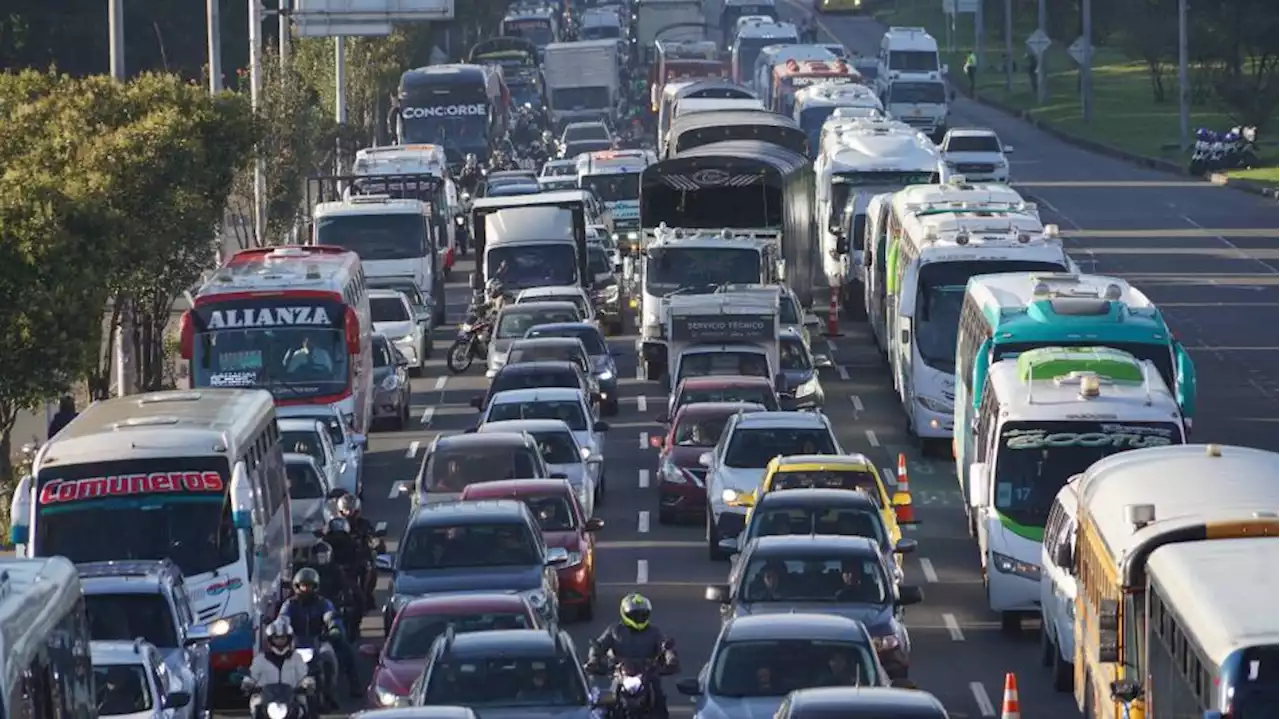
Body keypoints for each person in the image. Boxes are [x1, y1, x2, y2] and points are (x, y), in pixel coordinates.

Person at [587, 594, 677, 719]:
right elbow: (598, 646)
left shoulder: (654, 632)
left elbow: (665, 645)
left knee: (659, 700)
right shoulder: (614, 630)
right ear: (625, 614)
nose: (639, 618)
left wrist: (671, 659)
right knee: (603, 703)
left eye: (642, 615)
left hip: (648, 675)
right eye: (635, 615)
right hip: (620, 674)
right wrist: (594, 660)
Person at [278, 568, 361, 701]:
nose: (306, 589)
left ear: (315, 586)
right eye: (303, 585)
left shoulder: (323, 603)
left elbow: (331, 617)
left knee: (331, 655)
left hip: (319, 641)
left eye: (309, 585)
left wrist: (334, 628)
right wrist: (279, 630)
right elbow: (282, 619)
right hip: (295, 642)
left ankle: (333, 690)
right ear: (296, 586)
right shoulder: (290, 604)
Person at [244, 619, 315, 719]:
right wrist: (248, 683)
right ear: (270, 640)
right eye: (276, 638)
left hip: (291, 698)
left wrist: (307, 682)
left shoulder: (296, 658)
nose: (280, 641)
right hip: (265, 699)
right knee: (256, 708)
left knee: (305, 708)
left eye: (283, 638)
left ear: (289, 639)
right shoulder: (260, 659)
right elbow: (252, 675)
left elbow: (303, 674)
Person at [335, 494, 382, 604]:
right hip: (341, 557)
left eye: (351, 510)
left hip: (359, 556)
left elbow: (372, 536)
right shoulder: (336, 524)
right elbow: (326, 535)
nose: (348, 514)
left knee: (370, 567)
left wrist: (375, 541)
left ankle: (367, 594)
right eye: (345, 510)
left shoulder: (363, 524)